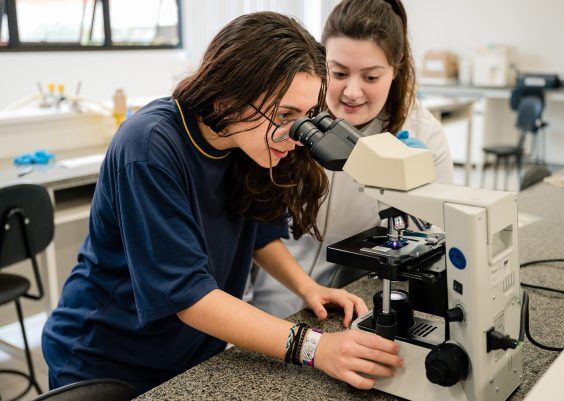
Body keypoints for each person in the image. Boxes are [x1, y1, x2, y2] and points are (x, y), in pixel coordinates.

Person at [41, 12, 403, 394]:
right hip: (108, 358)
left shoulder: (246, 141)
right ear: (232, 91)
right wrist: (316, 348)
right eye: (285, 115)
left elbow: (261, 232)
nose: (297, 136)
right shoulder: (149, 146)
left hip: (191, 353)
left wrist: (306, 287)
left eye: (306, 116)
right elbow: (189, 296)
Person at [250, 0, 455, 318]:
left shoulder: (422, 132)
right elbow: (256, 221)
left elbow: (438, 234)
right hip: (280, 286)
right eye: (339, 73)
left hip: (360, 288)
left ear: (395, 71)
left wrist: (416, 191)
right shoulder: (294, 114)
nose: (352, 92)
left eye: (371, 77)